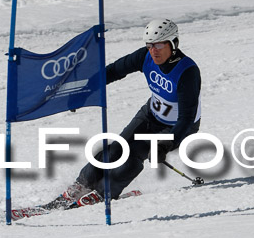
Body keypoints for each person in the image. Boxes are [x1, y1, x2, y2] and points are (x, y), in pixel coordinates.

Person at [46, 18, 202, 209]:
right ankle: (81, 185)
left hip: (178, 126)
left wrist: (166, 144)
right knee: (115, 150)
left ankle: (104, 193)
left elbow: (186, 118)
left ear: (173, 43)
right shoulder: (145, 56)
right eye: (150, 45)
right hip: (151, 114)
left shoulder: (187, 71)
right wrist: (85, 91)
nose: (154, 51)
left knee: (133, 158)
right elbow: (114, 71)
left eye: (160, 45)